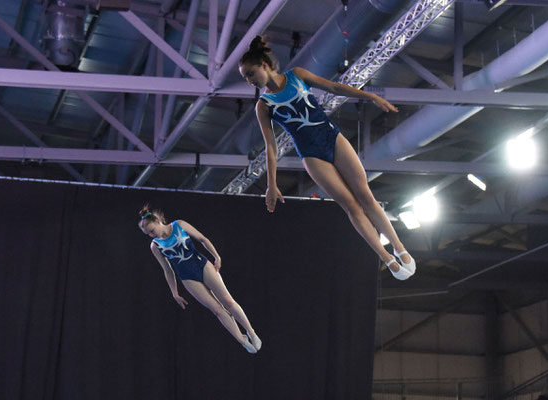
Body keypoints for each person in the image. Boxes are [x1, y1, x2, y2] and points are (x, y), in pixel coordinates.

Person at [238, 36, 415, 280]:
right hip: (311, 155)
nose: (249, 81)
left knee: (364, 194)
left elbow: (334, 87)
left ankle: (398, 247)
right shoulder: (264, 105)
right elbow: (271, 147)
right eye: (245, 78)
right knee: (350, 205)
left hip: (332, 137)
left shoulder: (296, 75)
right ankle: (385, 256)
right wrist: (271, 184)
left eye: (250, 73)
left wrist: (370, 96)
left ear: (264, 65)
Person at [138, 206, 262, 353]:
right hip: (187, 277)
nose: (151, 235)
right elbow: (167, 269)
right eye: (148, 234)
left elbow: (203, 239)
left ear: (158, 221)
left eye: (151, 230)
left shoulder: (179, 225)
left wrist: (216, 256)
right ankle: (242, 341)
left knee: (227, 301)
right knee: (217, 310)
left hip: (202, 265)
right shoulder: (155, 245)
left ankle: (251, 332)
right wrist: (174, 292)